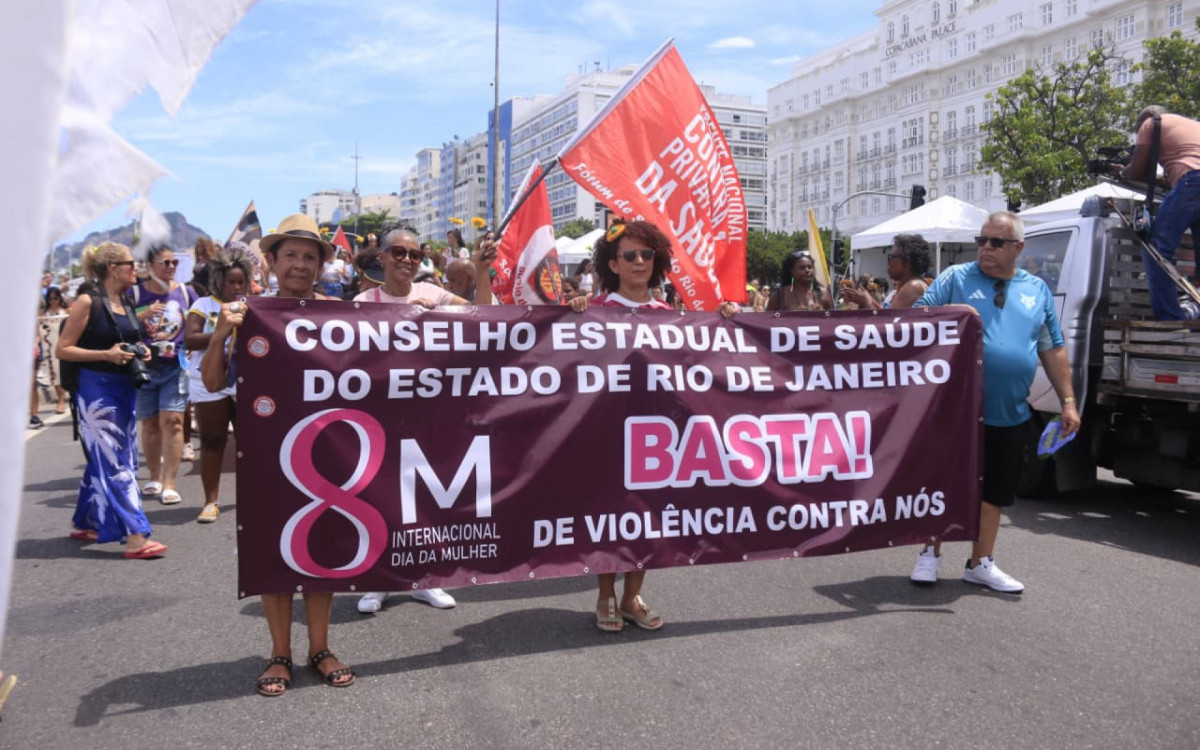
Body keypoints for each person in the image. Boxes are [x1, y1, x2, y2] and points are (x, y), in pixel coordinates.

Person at [202, 213, 354, 696]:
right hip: (268, 456)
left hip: (326, 455)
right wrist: (221, 333)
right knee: (276, 550)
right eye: (291, 255)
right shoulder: (249, 313)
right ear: (271, 260)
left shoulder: (340, 314)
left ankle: (321, 647)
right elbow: (209, 383)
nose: (301, 264)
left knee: (323, 550)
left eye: (310, 257)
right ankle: (280, 653)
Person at [569, 220, 737, 632]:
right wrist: (570, 314)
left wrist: (726, 321)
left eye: (647, 255)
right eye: (630, 255)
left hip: (657, 433)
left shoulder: (671, 317)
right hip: (605, 429)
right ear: (613, 263)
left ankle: (632, 596)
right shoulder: (594, 311)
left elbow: (701, 364)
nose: (640, 261)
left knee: (650, 513)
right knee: (608, 511)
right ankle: (606, 594)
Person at [907, 212, 1080, 593]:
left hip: (1009, 411)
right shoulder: (956, 278)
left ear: (1018, 248)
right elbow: (919, 320)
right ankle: (929, 555)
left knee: (996, 490)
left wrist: (1068, 401)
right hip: (954, 410)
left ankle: (980, 562)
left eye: (995, 242)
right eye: (981, 239)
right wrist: (953, 315)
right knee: (944, 483)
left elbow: (1052, 349)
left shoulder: (1037, 290)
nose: (985, 247)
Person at [352, 226, 496, 615]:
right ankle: (377, 581)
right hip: (381, 414)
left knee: (425, 497)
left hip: (429, 415)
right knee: (380, 494)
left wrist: (482, 271)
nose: (406, 260)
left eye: (414, 255)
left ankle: (425, 577)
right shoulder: (364, 300)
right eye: (398, 252)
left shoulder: (433, 294)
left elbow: (481, 314)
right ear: (381, 258)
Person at [55, 242, 166, 559]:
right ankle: (136, 535)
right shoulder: (87, 302)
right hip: (95, 391)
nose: (137, 269)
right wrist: (105, 354)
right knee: (116, 462)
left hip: (125, 387)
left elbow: (128, 338)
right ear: (113, 268)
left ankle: (85, 520)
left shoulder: (126, 301)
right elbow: (63, 349)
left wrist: (142, 348)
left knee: (111, 457)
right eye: (132, 264)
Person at [183, 246, 252, 524]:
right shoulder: (202, 305)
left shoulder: (252, 303)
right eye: (231, 281)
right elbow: (190, 340)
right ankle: (210, 501)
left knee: (251, 442)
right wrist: (222, 332)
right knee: (213, 441)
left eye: (240, 281)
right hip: (207, 381)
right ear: (218, 281)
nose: (236, 287)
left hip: (244, 380)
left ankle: (253, 497)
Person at [1116, 106, 1200, 320]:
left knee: (1156, 251)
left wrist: (1122, 170)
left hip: (1192, 183)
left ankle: (1170, 316)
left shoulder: (1151, 123)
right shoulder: (1190, 125)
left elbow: (1137, 171)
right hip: (1191, 183)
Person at [131, 245, 193, 506]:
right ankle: (154, 476)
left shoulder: (186, 293)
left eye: (174, 263)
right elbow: (118, 322)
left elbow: (199, 324)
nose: (170, 267)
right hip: (145, 368)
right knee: (151, 424)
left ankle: (170, 482)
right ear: (149, 265)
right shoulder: (134, 293)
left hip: (175, 367)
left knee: (174, 422)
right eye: (165, 262)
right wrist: (141, 314)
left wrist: (191, 350)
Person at [840, 234, 930, 310]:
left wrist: (867, 302)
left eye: (891, 257)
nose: (888, 262)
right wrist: (867, 300)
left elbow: (888, 323)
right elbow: (888, 314)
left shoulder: (913, 287)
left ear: (906, 261)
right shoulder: (910, 285)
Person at [767, 250, 833, 311]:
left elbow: (833, 320)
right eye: (802, 268)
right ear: (792, 271)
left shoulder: (822, 294)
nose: (807, 270)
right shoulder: (779, 296)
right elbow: (766, 321)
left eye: (809, 267)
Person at [40, 286, 70, 414]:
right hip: (50, 347)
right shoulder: (44, 313)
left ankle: (67, 398)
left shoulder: (66, 311)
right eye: (50, 298)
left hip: (65, 345)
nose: (53, 301)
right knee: (54, 374)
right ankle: (61, 400)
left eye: (55, 298)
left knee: (65, 372)